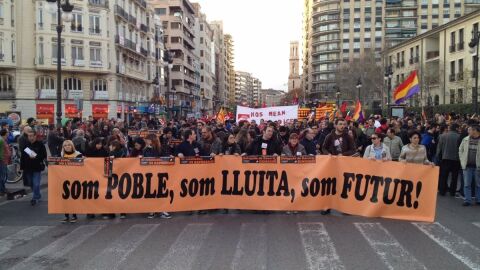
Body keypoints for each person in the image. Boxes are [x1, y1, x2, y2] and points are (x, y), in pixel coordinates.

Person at [321, 118, 356, 215]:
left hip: (344, 165)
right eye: (340, 124)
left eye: (344, 124)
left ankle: (345, 207)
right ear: (335, 125)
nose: (342, 126)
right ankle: (327, 207)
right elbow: (323, 147)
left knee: (344, 186)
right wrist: (328, 154)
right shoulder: (329, 136)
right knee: (329, 185)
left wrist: (344, 154)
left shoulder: (348, 137)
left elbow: (353, 150)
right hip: (332, 164)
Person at [20, 131, 47, 206]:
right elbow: (22, 157)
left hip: (37, 167)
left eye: (32, 136)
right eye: (29, 136)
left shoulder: (40, 144)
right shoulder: (26, 145)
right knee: (31, 183)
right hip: (27, 168)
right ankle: (37, 195)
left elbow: (44, 155)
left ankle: (35, 198)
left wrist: (36, 156)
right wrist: (21, 167)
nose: (30, 137)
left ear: (35, 136)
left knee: (36, 184)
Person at [60, 140, 83, 223]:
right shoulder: (62, 155)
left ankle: (74, 215)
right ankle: (66, 215)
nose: (67, 147)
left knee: (73, 197)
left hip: (75, 179)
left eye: (69, 145)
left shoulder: (78, 154)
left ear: (72, 146)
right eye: (65, 145)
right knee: (65, 197)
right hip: (65, 179)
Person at [458, 125, 480, 206]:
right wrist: (462, 160)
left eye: (470, 130)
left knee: (478, 184)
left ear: (475, 131)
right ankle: (467, 200)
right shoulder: (465, 139)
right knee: (467, 184)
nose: (468, 131)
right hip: (467, 166)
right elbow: (460, 150)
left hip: (478, 166)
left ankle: (478, 199)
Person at [437, 123, 461, 196]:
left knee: (444, 176)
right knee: (454, 177)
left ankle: (442, 190)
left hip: (445, 158)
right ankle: (452, 191)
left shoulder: (442, 136)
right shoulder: (459, 137)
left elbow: (439, 148)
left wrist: (438, 156)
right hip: (456, 159)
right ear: (456, 128)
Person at [0, 129, 11, 196]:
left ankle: (3, 189)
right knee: (3, 176)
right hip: (2, 161)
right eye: (8, 132)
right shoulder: (1, 140)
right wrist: (2, 159)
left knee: (3, 176)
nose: (8, 133)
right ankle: (2, 190)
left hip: (4, 160)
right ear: (5, 133)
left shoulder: (3, 140)